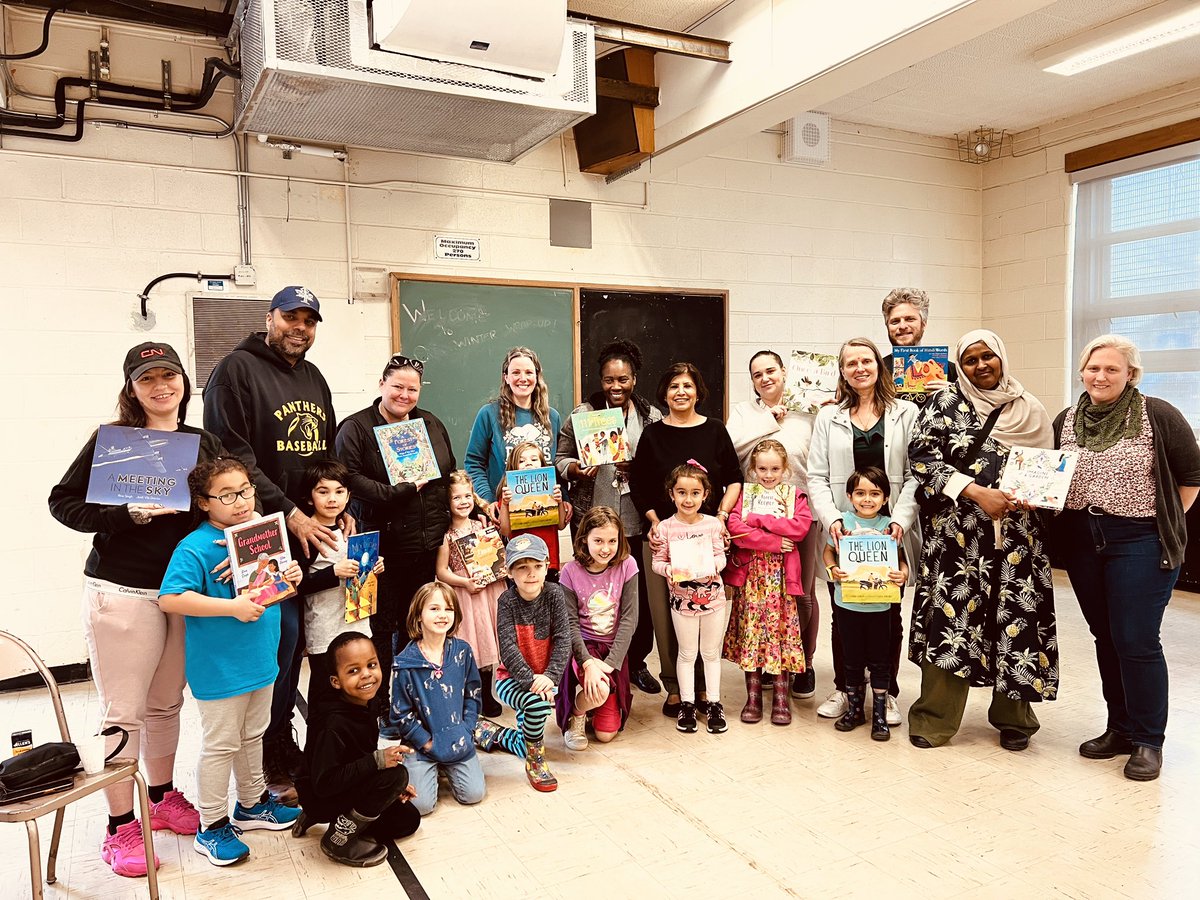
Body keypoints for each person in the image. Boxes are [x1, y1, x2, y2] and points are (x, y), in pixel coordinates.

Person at [48, 342, 224, 877]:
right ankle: (118, 827)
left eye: (169, 375)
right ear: (132, 388)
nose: (160, 386)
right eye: (147, 379)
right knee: (123, 713)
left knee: (166, 705)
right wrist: (123, 516)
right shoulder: (112, 442)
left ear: (183, 383)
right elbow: (64, 502)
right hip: (121, 592)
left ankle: (161, 798)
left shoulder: (202, 442)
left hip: (180, 593)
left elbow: (224, 501)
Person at [203, 285, 339, 801]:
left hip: (305, 530)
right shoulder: (235, 370)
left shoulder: (313, 377)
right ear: (270, 317)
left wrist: (329, 510)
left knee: (296, 646)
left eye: (309, 319)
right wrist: (291, 513)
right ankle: (260, 757)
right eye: (290, 317)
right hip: (259, 533)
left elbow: (322, 456)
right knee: (272, 649)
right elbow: (233, 458)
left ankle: (281, 741)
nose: (299, 327)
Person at [1054, 334, 1200, 781]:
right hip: (1083, 538)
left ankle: (1148, 740)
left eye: (1112, 369)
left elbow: (1191, 476)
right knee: (1106, 635)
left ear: (1130, 374)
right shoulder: (1067, 418)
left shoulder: (1157, 415)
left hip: (1140, 538)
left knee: (1136, 639)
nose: (1101, 376)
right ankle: (1118, 727)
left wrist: (1163, 525)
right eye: (1093, 368)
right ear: (1082, 371)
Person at [906, 329, 1058, 750]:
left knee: (1016, 622)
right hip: (957, 539)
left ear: (1002, 357)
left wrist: (1032, 497)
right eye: (970, 360)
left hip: (1017, 538)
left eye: (987, 356)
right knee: (951, 623)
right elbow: (921, 460)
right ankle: (935, 719)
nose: (981, 365)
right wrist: (976, 493)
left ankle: (1015, 718)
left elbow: (1046, 467)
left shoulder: (1030, 408)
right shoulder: (944, 402)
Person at [158, 457, 304, 866]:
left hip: (261, 657)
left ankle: (252, 804)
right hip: (221, 668)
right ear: (204, 503)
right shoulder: (194, 547)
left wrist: (289, 576)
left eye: (245, 490)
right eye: (226, 495)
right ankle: (212, 824)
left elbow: (275, 588)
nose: (240, 501)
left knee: (253, 734)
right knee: (221, 744)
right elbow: (170, 598)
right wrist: (232, 608)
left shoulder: (259, 533)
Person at [335, 354, 456, 728]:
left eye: (412, 389)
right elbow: (348, 478)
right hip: (379, 547)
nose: (404, 395)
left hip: (424, 544)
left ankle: (412, 697)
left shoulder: (429, 422)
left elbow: (446, 470)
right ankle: (379, 707)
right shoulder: (355, 428)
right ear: (382, 385)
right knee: (380, 627)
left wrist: (450, 522)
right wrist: (396, 491)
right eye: (397, 387)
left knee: (415, 624)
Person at [807, 338, 919, 728]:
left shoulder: (906, 412)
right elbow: (816, 476)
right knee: (845, 614)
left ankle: (886, 696)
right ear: (842, 371)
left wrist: (899, 521)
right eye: (850, 363)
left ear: (878, 365)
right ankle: (846, 688)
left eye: (866, 360)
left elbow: (912, 475)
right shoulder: (828, 417)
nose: (860, 368)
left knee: (889, 615)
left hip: (890, 532)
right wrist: (832, 518)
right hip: (846, 531)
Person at [630, 362, 741, 718]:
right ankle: (676, 689)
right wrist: (654, 522)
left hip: (706, 536)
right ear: (664, 392)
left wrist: (721, 516)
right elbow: (639, 484)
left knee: (705, 609)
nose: (681, 392)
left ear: (698, 392)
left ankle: (707, 690)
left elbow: (735, 478)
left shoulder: (715, 430)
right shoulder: (652, 434)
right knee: (666, 615)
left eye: (688, 386)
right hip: (665, 536)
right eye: (674, 385)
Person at [557, 339, 663, 695]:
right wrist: (575, 469)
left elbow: (661, 463)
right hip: (593, 521)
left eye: (623, 379)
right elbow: (559, 457)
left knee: (637, 597)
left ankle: (636, 662)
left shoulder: (650, 415)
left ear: (634, 378)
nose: (616, 387)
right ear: (600, 379)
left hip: (635, 520)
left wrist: (640, 467)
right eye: (608, 380)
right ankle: (591, 660)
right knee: (594, 595)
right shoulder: (583, 414)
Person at [727, 350, 821, 699]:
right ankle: (768, 658)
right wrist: (768, 419)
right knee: (760, 595)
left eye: (770, 371)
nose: (765, 378)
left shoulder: (809, 409)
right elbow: (732, 446)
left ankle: (804, 663)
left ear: (784, 371)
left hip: (799, 511)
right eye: (756, 374)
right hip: (755, 512)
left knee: (801, 590)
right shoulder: (744, 412)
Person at [292, 632, 420, 866]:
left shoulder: (367, 702)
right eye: (353, 670)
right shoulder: (332, 724)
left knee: (407, 820)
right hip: (321, 795)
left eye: (371, 664)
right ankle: (337, 840)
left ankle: (338, 821)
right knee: (396, 774)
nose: (366, 675)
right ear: (335, 681)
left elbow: (360, 755)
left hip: (346, 783)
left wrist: (391, 789)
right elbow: (324, 783)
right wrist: (380, 766)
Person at [723, 439, 813, 726]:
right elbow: (735, 526)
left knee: (779, 636)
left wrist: (759, 520)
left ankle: (781, 697)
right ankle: (752, 697)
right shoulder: (744, 495)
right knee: (752, 633)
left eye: (775, 468)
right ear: (753, 469)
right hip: (752, 579)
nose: (768, 474)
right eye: (762, 468)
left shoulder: (794, 495)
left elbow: (799, 527)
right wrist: (772, 540)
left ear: (785, 469)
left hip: (780, 582)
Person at [822, 468, 909, 742]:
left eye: (875, 494)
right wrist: (832, 568)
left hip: (880, 609)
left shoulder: (890, 527)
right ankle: (855, 710)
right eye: (860, 493)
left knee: (880, 662)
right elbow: (827, 551)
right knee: (852, 660)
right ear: (849, 496)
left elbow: (901, 559)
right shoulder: (842, 524)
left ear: (885, 498)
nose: (867, 499)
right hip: (847, 605)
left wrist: (903, 573)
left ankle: (880, 715)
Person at [389, 582, 490, 815]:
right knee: (421, 807)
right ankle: (430, 765)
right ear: (418, 617)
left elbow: (473, 694)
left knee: (474, 795)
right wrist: (427, 743)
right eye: (434, 609)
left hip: (458, 739)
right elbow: (399, 713)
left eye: (449, 609)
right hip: (422, 745)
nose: (443, 615)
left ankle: (447, 764)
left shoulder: (463, 652)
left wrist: (466, 729)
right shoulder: (405, 663)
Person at [296, 460, 382, 722]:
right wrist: (332, 573)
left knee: (359, 694)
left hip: (358, 623)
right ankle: (322, 755)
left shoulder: (351, 528)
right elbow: (295, 586)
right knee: (325, 698)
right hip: (324, 630)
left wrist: (374, 567)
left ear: (348, 496)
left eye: (339, 491)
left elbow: (362, 575)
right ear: (309, 497)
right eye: (323, 492)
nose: (332, 499)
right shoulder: (305, 533)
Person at [651, 462, 729, 736]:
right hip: (682, 602)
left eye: (695, 493)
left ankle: (714, 703)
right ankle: (686, 703)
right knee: (686, 653)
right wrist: (669, 569)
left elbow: (721, 556)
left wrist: (711, 566)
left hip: (713, 600)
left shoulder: (712, 526)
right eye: (681, 492)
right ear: (671, 494)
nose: (688, 499)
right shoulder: (665, 528)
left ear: (705, 494)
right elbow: (656, 562)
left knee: (710, 653)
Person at [555, 507, 639, 750]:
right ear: (584, 540)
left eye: (612, 541)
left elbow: (629, 618)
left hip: (612, 651)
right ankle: (578, 714)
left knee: (605, 734)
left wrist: (610, 663)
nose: (606, 548)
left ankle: (593, 702)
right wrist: (588, 663)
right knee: (600, 690)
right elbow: (569, 624)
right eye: (598, 541)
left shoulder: (628, 565)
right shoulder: (570, 571)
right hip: (583, 648)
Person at [495, 533, 573, 792]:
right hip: (511, 679)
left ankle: (498, 736)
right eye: (522, 567)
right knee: (539, 706)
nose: (531, 574)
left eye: (537, 566)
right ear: (509, 572)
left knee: (532, 717)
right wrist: (531, 681)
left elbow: (564, 639)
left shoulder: (554, 594)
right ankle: (535, 759)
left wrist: (550, 676)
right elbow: (508, 649)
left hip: (545, 677)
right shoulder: (506, 601)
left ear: (548, 565)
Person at [436, 470, 505, 717]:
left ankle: (487, 694)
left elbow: (496, 557)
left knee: (487, 642)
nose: (464, 501)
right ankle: (468, 696)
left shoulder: (482, 526)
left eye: (468, 495)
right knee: (470, 645)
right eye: (457, 497)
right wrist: (465, 582)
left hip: (488, 594)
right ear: (447, 501)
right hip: (465, 595)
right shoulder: (446, 535)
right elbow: (441, 571)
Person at [466, 346, 563, 505]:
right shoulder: (489, 414)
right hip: (502, 514)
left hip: (545, 511)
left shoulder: (552, 417)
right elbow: (474, 463)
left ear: (537, 376)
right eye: (516, 372)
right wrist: (489, 502)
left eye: (529, 372)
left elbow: (557, 467)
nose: (523, 378)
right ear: (506, 377)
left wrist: (563, 499)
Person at [497, 440, 572, 573]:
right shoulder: (508, 493)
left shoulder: (551, 490)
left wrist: (559, 501)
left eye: (534, 459)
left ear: (542, 464)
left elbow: (561, 525)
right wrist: (505, 504)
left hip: (549, 560)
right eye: (521, 461)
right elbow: (505, 531)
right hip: (521, 560)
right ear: (513, 466)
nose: (528, 463)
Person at [878, 287, 956, 408]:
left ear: (923, 324)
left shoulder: (951, 371)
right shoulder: (876, 370)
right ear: (887, 326)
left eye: (910, 319)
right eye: (895, 321)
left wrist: (954, 395)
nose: (902, 326)